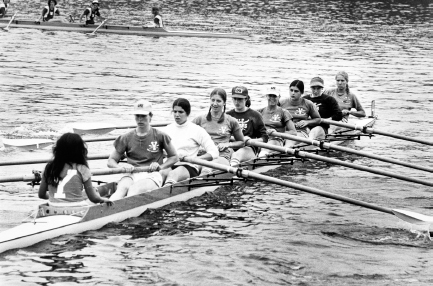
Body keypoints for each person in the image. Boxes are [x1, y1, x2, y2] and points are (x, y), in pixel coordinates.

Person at [107, 100, 178, 200]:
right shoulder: (126, 137)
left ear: (150, 116)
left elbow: (174, 157)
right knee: (121, 190)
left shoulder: (160, 136)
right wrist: (122, 167)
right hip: (131, 173)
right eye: (137, 116)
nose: (140, 120)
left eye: (143, 116)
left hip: (152, 174)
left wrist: (161, 167)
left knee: (134, 191)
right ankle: (106, 210)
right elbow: (111, 161)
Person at [38, 133, 113, 206]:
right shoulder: (82, 168)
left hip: (53, 206)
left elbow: (41, 194)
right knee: (96, 193)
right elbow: (93, 198)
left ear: (58, 150)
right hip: (76, 207)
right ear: (80, 150)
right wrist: (103, 200)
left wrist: (55, 198)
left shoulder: (49, 167)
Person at [160, 98, 219, 186]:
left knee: (173, 174)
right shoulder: (167, 129)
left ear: (187, 113)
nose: (177, 115)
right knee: (161, 173)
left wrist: (195, 160)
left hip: (188, 166)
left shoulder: (197, 130)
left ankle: (164, 193)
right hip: (169, 163)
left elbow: (214, 152)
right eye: (175, 111)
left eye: (180, 112)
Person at [192, 88, 244, 174]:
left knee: (206, 169)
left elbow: (241, 142)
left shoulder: (231, 121)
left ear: (224, 103)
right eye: (213, 100)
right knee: (192, 167)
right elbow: (187, 136)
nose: (215, 103)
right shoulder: (199, 119)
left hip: (221, 157)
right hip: (203, 155)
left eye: (218, 101)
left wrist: (227, 144)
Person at [226, 86, 268, 166]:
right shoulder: (227, 115)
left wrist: (250, 140)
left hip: (248, 148)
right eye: (234, 99)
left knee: (236, 155)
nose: (237, 102)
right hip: (232, 146)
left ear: (246, 99)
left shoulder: (255, 115)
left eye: (240, 99)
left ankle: (231, 172)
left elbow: (265, 138)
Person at [279, 80, 321, 147]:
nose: (293, 93)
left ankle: (286, 150)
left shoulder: (308, 104)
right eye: (291, 90)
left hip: (300, 132)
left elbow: (318, 119)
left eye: (296, 91)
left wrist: (307, 122)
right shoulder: (281, 103)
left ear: (302, 92)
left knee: (289, 141)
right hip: (284, 131)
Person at [257, 86, 297, 156]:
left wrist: (277, 133)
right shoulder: (259, 112)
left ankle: (261, 156)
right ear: (266, 96)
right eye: (270, 95)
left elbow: (293, 132)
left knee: (267, 147)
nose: (272, 98)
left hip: (276, 140)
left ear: (279, 97)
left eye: (274, 96)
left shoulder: (284, 112)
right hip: (261, 139)